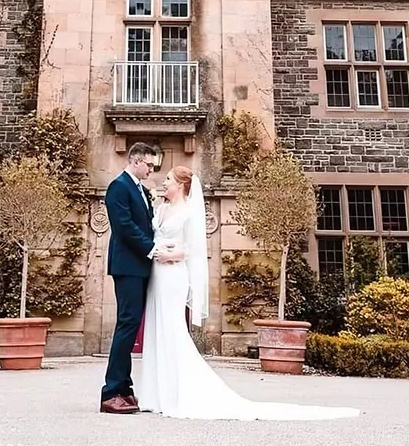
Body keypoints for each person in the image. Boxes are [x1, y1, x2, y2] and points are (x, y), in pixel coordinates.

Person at [138, 166, 361, 421]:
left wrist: (171, 254)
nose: (163, 182)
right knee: (156, 329)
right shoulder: (161, 208)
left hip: (173, 273)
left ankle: (175, 393)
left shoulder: (189, 212)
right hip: (156, 275)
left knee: (172, 328)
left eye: (168, 179)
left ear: (181, 185)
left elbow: (193, 250)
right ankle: (156, 394)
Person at [99, 142, 160, 414]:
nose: (151, 170)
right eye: (149, 164)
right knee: (126, 325)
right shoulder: (118, 187)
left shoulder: (140, 189)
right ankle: (111, 391)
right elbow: (124, 227)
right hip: (127, 267)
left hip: (140, 267)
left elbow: (146, 224)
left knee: (131, 324)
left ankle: (125, 388)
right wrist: (152, 249)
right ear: (135, 161)